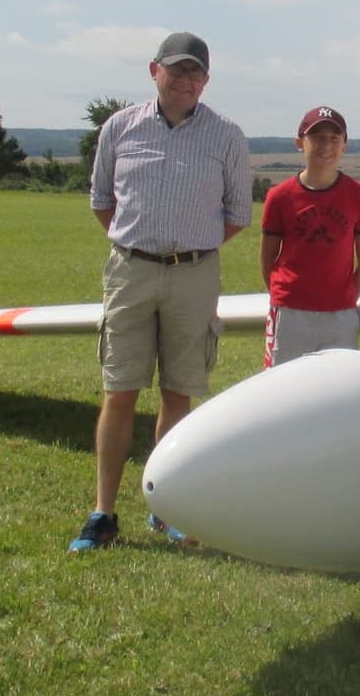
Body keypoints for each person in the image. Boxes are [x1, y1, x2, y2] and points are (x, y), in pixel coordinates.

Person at [71, 31, 252, 552]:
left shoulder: (226, 136)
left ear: (207, 80)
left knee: (179, 392)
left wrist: (186, 250)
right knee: (119, 391)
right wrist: (142, 245)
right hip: (130, 270)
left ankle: (165, 507)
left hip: (195, 275)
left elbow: (238, 214)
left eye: (195, 73)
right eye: (176, 71)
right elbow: (102, 200)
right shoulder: (119, 127)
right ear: (155, 71)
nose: (185, 81)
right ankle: (103, 513)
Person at [259, 105, 360, 367]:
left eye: (334, 138)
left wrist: (344, 297)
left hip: (340, 315)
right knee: (282, 388)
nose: (326, 146)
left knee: (337, 390)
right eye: (318, 137)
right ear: (300, 142)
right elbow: (267, 259)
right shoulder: (279, 197)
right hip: (289, 313)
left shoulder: (359, 196)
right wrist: (285, 297)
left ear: (344, 145)